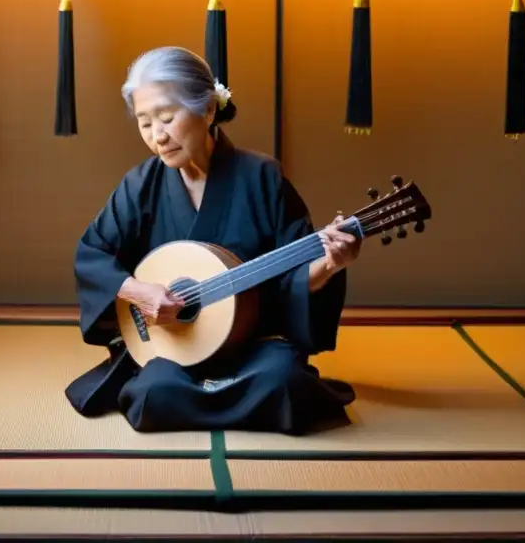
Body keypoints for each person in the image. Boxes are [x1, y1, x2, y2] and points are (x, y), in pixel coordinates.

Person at [64, 46, 362, 435]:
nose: (158, 136)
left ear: (207, 110)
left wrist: (329, 264)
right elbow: (92, 254)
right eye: (144, 123)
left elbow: (292, 280)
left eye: (168, 118)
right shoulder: (140, 185)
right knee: (154, 391)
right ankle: (229, 403)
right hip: (173, 347)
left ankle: (207, 399)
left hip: (251, 344)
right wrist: (138, 291)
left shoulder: (262, 177)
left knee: (283, 382)